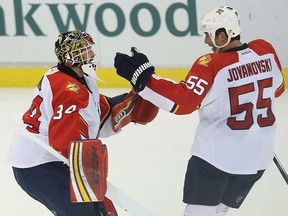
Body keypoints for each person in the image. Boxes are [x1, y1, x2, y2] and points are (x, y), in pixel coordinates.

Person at [113, 5, 285, 216]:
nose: (205, 41)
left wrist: (145, 78)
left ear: (223, 36)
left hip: (216, 160)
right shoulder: (265, 50)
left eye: (209, 35)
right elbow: (278, 89)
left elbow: (184, 102)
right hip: (257, 158)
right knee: (220, 211)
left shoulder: (211, 64)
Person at [7, 30, 158, 216]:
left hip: (54, 160)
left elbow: (100, 113)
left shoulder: (79, 77)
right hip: (37, 166)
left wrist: (139, 92)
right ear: (72, 55)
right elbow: (63, 142)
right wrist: (92, 172)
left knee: (98, 210)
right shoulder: (68, 89)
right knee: (85, 212)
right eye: (86, 50)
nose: (92, 54)